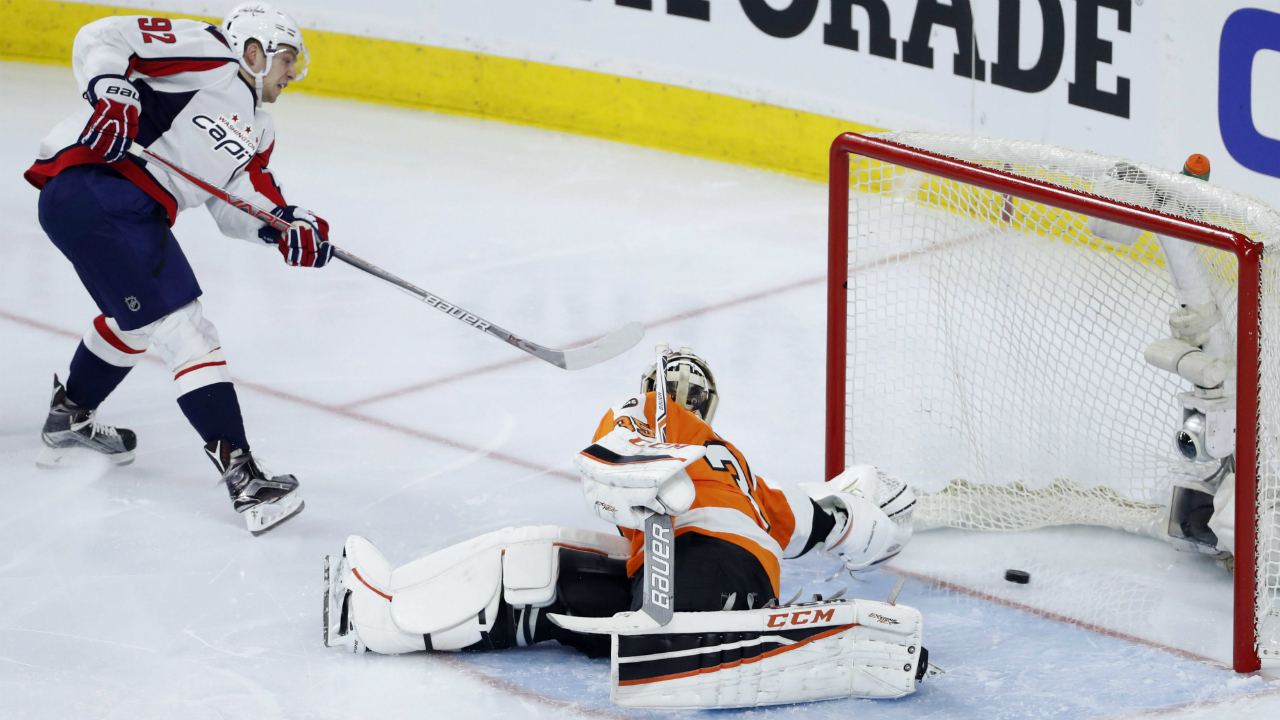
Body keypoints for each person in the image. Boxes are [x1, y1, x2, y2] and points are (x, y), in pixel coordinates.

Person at [323, 347, 919, 669]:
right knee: (543, 565)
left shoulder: (647, 415)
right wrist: (878, 515)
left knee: (552, 570)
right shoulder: (740, 471)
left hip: (695, 570)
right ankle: (384, 613)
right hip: (738, 580)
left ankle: (390, 620)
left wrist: (636, 476)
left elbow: (631, 444)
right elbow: (827, 520)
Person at [24, 3, 327, 535]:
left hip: (122, 209)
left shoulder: (259, 129)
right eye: (286, 59)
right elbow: (106, 34)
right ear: (254, 52)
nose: (291, 73)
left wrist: (285, 224)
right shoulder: (210, 53)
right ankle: (246, 480)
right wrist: (111, 91)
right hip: (99, 183)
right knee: (185, 329)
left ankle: (70, 416)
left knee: (136, 320)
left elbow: (238, 201)